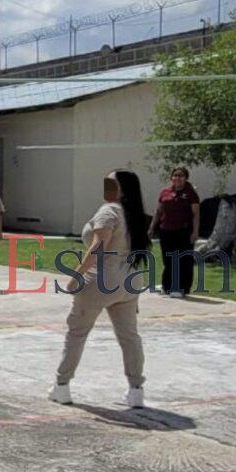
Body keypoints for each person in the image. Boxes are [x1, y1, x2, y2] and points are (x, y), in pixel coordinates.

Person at [49, 170, 150, 409]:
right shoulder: (134, 214)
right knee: (129, 337)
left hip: (103, 279)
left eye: (111, 182)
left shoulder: (109, 211)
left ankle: (61, 386)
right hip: (130, 280)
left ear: (122, 188)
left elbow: (97, 246)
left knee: (77, 333)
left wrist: (77, 274)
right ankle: (136, 389)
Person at [148, 167, 200, 297]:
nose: (177, 178)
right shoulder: (165, 192)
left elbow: (196, 214)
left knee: (183, 260)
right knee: (168, 259)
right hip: (166, 230)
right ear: (171, 177)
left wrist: (195, 232)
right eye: (175, 175)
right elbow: (159, 211)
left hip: (183, 231)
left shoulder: (191, 193)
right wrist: (151, 227)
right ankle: (167, 286)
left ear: (186, 178)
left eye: (181, 176)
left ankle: (182, 288)